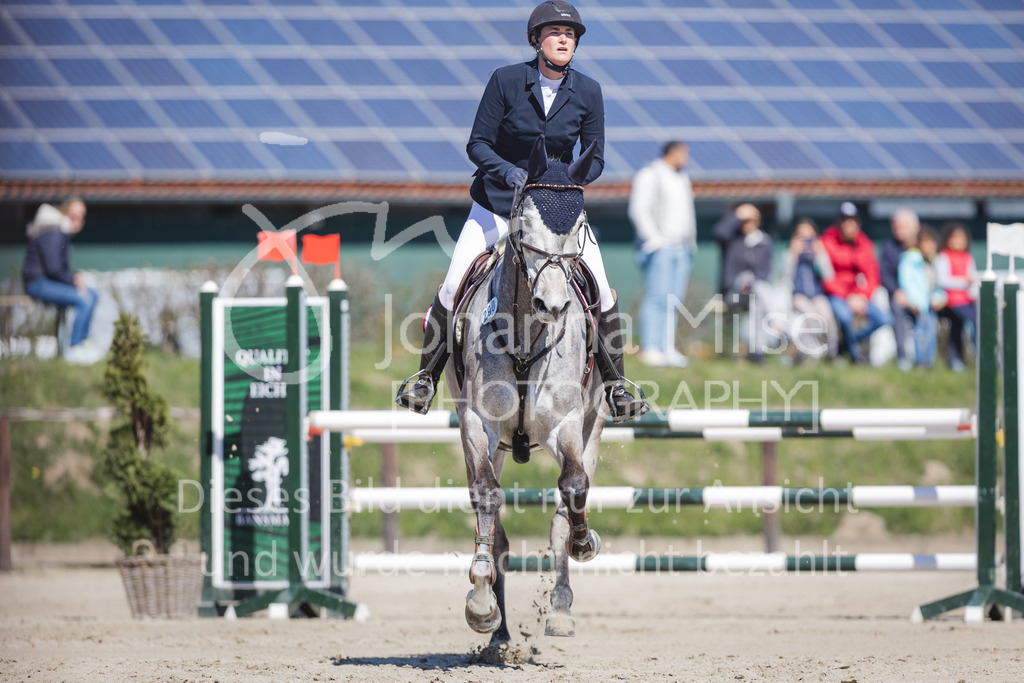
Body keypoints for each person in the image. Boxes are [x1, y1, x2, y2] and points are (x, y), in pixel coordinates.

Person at [394, 1, 648, 422]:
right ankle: (425, 378)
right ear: (536, 40)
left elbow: (596, 157)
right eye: (555, 33)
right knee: (452, 285)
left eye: (571, 35)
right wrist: (510, 171)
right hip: (496, 203)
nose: (565, 39)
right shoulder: (507, 81)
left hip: (557, 212)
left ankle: (618, 384)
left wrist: (567, 178)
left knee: (602, 291)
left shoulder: (588, 91)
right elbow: (477, 144)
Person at [628, 141, 696, 368]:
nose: (686, 158)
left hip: (681, 248)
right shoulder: (650, 175)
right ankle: (651, 348)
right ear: (673, 152)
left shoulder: (682, 178)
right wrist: (654, 239)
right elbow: (639, 209)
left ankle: (668, 348)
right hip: (659, 248)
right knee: (656, 298)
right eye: (683, 153)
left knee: (673, 301)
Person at [22, 198, 100, 364]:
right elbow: (54, 269)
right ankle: (75, 347)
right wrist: (73, 281)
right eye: (74, 215)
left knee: (92, 293)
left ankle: (83, 343)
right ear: (64, 213)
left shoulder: (58, 231)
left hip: (45, 281)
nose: (78, 220)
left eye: (82, 216)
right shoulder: (54, 232)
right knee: (84, 298)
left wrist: (73, 280)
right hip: (38, 284)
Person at [820, 202, 892, 364]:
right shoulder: (827, 242)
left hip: (859, 295)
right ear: (839, 222)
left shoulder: (865, 244)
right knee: (845, 317)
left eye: (853, 220)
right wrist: (848, 297)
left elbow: (872, 275)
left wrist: (862, 296)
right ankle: (855, 356)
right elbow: (826, 277)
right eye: (845, 220)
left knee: (884, 319)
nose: (849, 225)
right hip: (837, 294)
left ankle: (846, 344)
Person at [713, 203, 777, 362]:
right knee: (750, 281)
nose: (748, 224)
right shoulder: (732, 241)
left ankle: (757, 352)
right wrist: (738, 216)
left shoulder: (764, 242)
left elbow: (764, 274)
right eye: (744, 220)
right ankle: (777, 320)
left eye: (751, 219)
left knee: (758, 295)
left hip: (756, 294)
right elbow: (720, 233)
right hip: (732, 293)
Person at [782, 218, 838, 361]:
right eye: (802, 237)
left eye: (809, 237)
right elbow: (786, 278)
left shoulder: (819, 254)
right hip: (798, 295)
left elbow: (828, 275)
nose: (806, 241)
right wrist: (793, 255)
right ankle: (802, 355)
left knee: (828, 316)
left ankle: (832, 353)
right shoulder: (790, 255)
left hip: (817, 295)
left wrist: (820, 255)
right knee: (810, 316)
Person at [934, 222, 979, 372]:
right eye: (954, 238)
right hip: (951, 300)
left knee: (962, 327)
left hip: (967, 300)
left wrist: (972, 291)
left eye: (961, 238)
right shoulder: (943, 257)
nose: (958, 242)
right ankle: (955, 359)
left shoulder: (968, 258)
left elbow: (973, 279)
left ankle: (968, 357)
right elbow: (943, 280)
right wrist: (964, 282)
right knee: (967, 324)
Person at [880, 209, 921, 371]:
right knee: (897, 311)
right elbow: (885, 274)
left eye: (903, 226)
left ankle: (923, 359)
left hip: (922, 297)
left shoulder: (924, 245)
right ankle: (902, 357)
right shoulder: (889, 247)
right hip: (898, 296)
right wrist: (897, 291)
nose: (899, 229)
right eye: (896, 226)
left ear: (916, 227)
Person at [898, 226, 941, 368]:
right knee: (919, 333)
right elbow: (907, 282)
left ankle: (929, 362)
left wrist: (940, 297)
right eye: (925, 243)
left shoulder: (934, 261)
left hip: (931, 304)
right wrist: (913, 301)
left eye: (931, 243)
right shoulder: (911, 260)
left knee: (931, 332)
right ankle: (919, 361)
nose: (929, 246)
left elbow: (937, 284)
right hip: (918, 304)